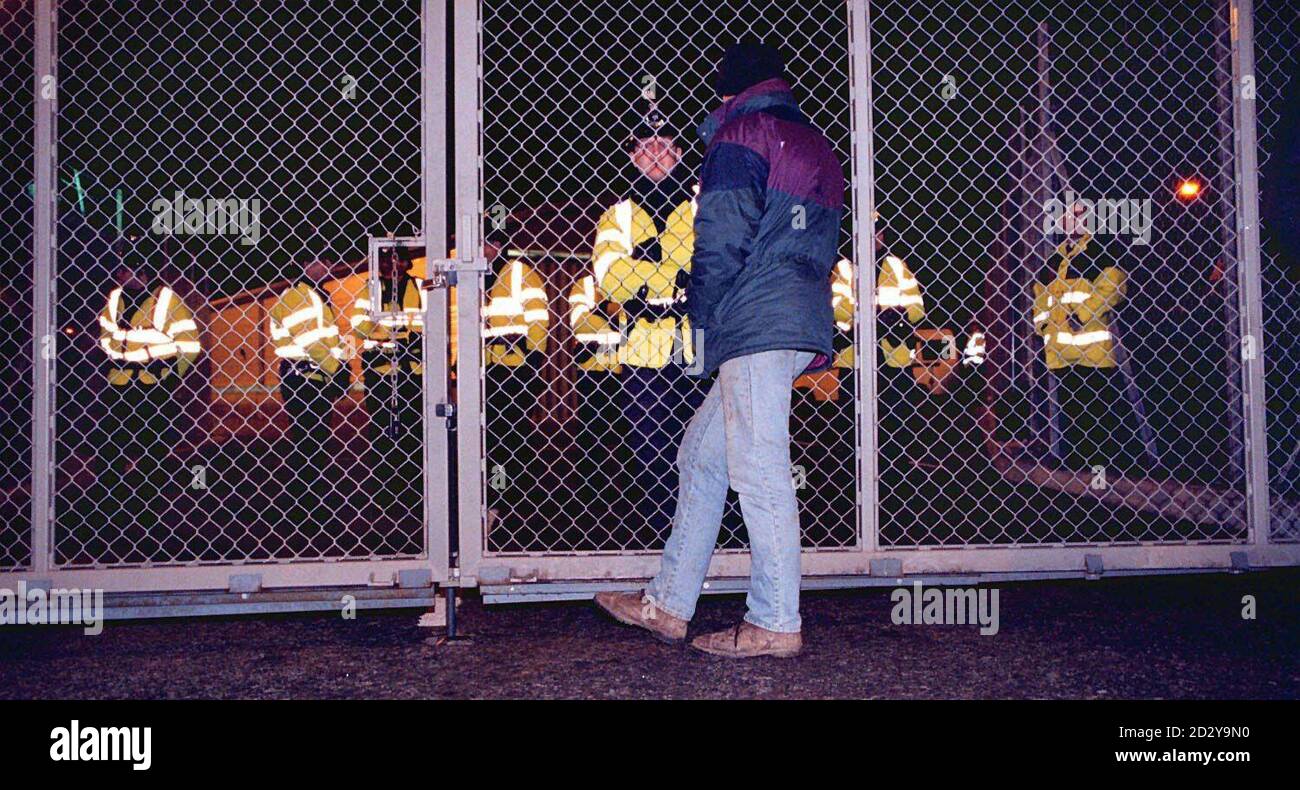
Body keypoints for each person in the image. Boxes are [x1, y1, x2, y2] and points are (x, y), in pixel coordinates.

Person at [595, 40, 844, 659]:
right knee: (702, 458)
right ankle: (668, 603)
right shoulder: (814, 142)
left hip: (754, 322)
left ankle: (775, 621)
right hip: (795, 315)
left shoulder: (740, 136)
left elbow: (721, 239)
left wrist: (703, 322)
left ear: (728, 94)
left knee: (758, 466)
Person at [592, 99, 701, 542]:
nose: (655, 156)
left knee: (702, 450)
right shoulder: (618, 214)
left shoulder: (700, 204)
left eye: (664, 145)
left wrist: (648, 264)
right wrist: (674, 270)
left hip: (697, 344)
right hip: (642, 346)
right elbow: (609, 277)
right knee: (651, 452)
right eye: (645, 147)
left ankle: (707, 536)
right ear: (631, 155)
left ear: (678, 153)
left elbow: (711, 266)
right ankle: (663, 539)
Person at [1032, 201, 1143, 470]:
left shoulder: (1103, 249)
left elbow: (1114, 287)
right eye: (1068, 215)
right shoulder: (1056, 258)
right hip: (1061, 351)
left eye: (1079, 215)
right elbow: (1040, 296)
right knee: (1070, 408)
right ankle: (1077, 461)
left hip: (1092, 350)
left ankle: (1102, 465)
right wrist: (1043, 326)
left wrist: (1082, 314)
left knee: (1097, 409)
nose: (1071, 220)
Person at [94, 253, 202, 523]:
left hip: (153, 383)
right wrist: (115, 356)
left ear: (142, 273)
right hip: (119, 381)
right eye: (119, 272)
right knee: (111, 443)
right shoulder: (115, 299)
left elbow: (190, 344)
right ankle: (108, 498)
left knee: (151, 444)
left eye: (126, 271)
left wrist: (171, 375)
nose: (120, 276)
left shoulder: (166, 300)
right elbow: (106, 335)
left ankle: (149, 499)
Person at [269, 258, 349, 541]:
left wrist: (340, 366)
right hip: (302, 378)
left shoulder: (315, 295)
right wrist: (336, 369)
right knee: (308, 444)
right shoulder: (297, 295)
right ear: (305, 265)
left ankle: (308, 504)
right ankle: (304, 509)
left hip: (313, 378)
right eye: (321, 261)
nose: (328, 265)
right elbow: (311, 341)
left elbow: (327, 340)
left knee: (314, 444)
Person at [351, 246, 425, 538]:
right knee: (382, 433)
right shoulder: (370, 288)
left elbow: (432, 320)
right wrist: (383, 325)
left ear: (406, 262)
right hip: (381, 372)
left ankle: (414, 492)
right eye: (386, 259)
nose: (391, 264)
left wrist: (412, 338)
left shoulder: (420, 285)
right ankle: (385, 495)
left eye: (397, 258)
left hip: (414, 371)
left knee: (413, 434)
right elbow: (358, 326)